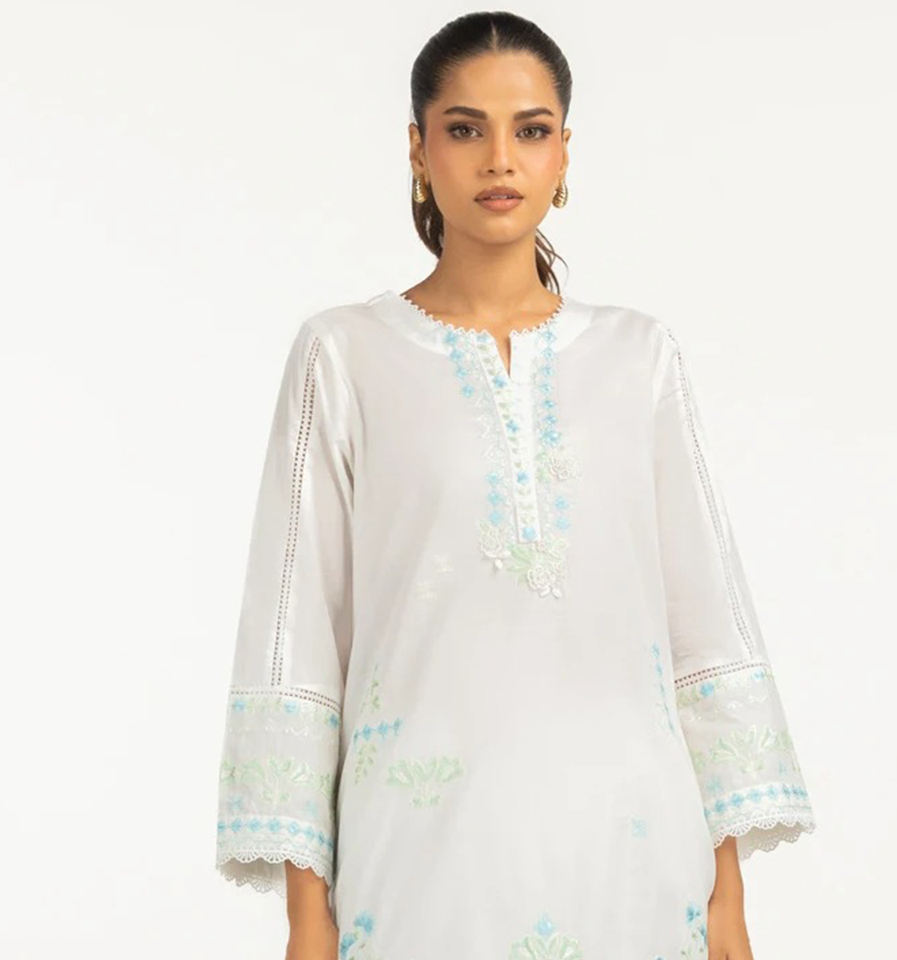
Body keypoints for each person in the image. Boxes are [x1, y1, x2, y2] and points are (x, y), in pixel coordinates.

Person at [213, 11, 816, 960]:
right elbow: (297, 644)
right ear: (419, 150)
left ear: (564, 151)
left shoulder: (639, 357)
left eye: (530, 130)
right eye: (465, 129)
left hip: (635, 860)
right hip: (419, 868)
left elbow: (704, 631)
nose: (500, 158)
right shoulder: (345, 356)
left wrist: (726, 903)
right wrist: (307, 917)